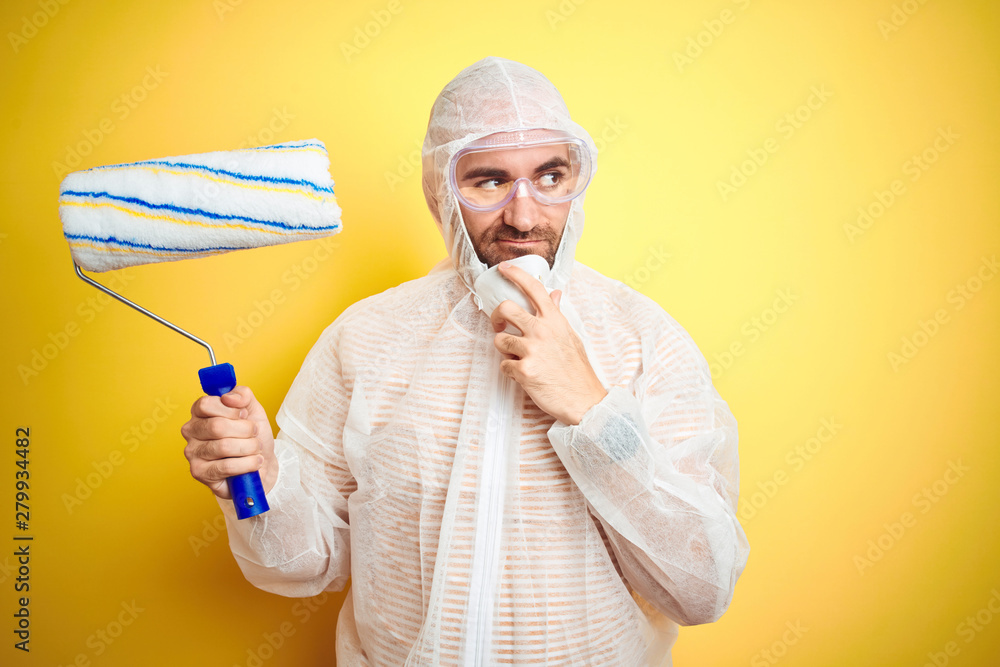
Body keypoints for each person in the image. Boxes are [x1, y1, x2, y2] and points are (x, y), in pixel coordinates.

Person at [181, 56, 749, 665]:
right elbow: (304, 565)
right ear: (439, 193)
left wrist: (592, 410)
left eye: (551, 177)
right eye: (489, 181)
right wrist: (261, 480)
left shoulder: (645, 339)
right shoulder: (365, 338)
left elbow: (701, 589)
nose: (525, 215)